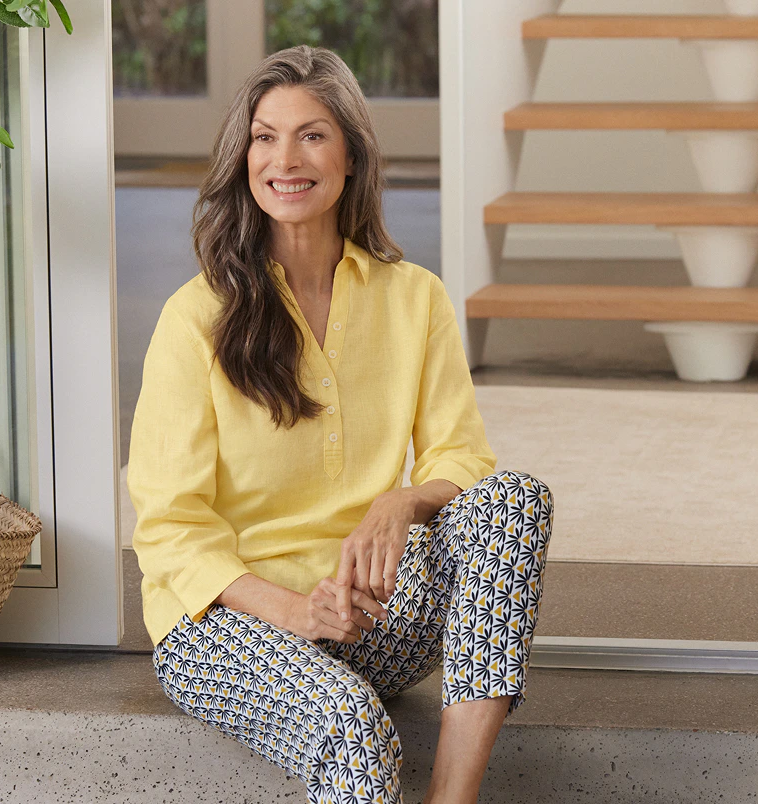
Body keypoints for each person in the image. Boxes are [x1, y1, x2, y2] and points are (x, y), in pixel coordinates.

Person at [127, 44, 554, 804]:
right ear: (244, 156)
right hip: (227, 623)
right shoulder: (196, 318)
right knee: (355, 727)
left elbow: (464, 455)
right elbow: (171, 528)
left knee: (513, 500)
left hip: (364, 613)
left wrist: (402, 502)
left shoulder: (413, 298)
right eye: (265, 136)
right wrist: (292, 610)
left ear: (351, 154)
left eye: (312, 134)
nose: (285, 158)